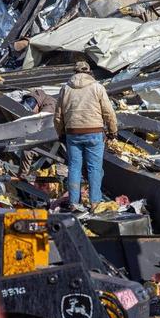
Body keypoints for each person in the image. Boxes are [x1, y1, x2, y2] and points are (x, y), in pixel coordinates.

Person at [54, 60, 117, 211]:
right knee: (94, 168)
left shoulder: (65, 89)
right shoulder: (97, 87)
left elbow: (58, 116)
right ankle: (95, 202)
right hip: (94, 132)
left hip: (73, 133)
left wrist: (60, 133)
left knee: (74, 168)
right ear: (89, 72)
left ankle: (74, 203)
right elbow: (108, 112)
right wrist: (113, 131)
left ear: (74, 72)